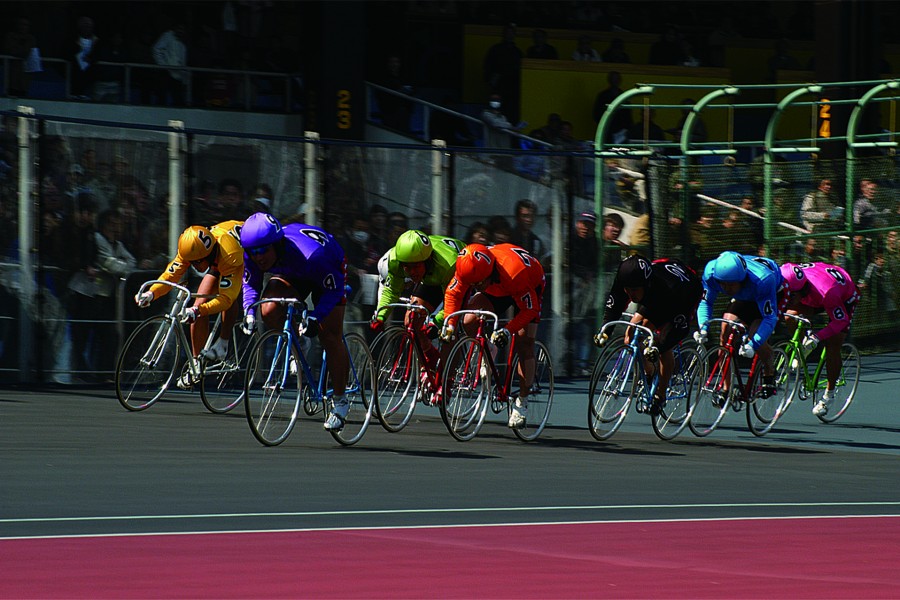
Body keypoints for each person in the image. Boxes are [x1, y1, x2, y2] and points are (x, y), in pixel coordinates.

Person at [240, 213, 351, 431]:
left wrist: (315, 316)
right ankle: (298, 345)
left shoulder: (314, 256)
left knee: (329, 334)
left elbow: (334, 291)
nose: (258, 257)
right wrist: (248, 312)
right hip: (292, 272)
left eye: (263, 250)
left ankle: (340, 402)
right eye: (253, 252)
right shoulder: (253, 254)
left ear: (277, 244)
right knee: (269, 307)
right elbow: (251, 283)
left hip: (326, 268)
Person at [441, 242, 545, 429]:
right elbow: (453, 294)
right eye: (473, 284)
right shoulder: (467, 266)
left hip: (527, 284)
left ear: (490, 270)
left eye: (479, 283)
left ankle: (522, 401)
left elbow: (530, 309)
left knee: (524, 343)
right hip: (497, 288)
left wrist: (507, 330)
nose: (476, 286)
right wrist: (449, 324)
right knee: (468, 320)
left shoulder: (514, 272)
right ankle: (487, 350)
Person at [134, 221, 245, 388]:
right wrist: (152, 293)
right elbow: (170, 275)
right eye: (189, 262)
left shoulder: (229, 254)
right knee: (198, 303)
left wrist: (200, 310)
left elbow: (227, 298)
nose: (192, 266)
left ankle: (223, 342)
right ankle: (196, 363)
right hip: (217, 258)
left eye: (195, 263)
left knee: (225, 298)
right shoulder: (191, 248)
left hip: (241, 255)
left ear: (206, 255)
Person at [599, 254, 702, 413]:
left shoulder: (669, 290)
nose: (630, 295)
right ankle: (650, 372)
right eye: (626, 289)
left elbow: (679, 330)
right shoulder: (625, 279)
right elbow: (614, 305)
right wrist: (605, 330)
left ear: (645, 285)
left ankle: (660, 396)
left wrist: (659, 346)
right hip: (657, 289)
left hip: (683, 294)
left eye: (633, 290)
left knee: (661, 344)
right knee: (631, 335)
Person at [370, 230, 464, 375]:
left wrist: (437, 321)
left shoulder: (447, 265)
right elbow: (391, 291)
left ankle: (446, 381)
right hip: (430, 277)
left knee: (448, 330)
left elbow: (453, 301)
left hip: (456, 276)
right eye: (407, 267)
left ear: (428, 260)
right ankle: (430, 357)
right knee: (411, 320)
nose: (412, 272)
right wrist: (381, 315)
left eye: (416, 267)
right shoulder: (395, 261)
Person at [695, 250, 783, 398]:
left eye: (730, 285)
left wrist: (753, 344)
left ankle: (769, 371)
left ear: (742, 279)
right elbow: (706, 302)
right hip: (743, 296)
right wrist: (703, 328)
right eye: (722, 284)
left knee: (754, 335)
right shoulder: (711, 273)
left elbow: (769, 318)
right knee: (725, 330)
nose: (726, 289)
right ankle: (726, 388)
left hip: (768, 292)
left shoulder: (762, 280)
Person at [779, 262, 860, 416]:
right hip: (815, 287)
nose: (787, 297)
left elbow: (840, 321)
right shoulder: (789, 276)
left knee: (833, 343)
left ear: (801, 291)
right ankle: (803, 349)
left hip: (842, 295)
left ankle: (828, 395)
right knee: (790, 316)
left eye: (791, 295)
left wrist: (817, 337)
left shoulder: (828, 293)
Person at [570, 211, 598, 376]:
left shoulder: (595, 243)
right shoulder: (570, 240)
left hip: (590, 293)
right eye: (583, 223)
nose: (585, 228)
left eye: (589, 225)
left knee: (587, 327)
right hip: (571, 290)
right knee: (574, 327)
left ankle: (583, 364)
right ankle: (573, 362)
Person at [482, 23, 523, 124]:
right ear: (503, 34)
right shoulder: (495, 49)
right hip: (498, 88)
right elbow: (488, 66)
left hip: (513, 90)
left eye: (512, 33)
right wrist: (491, 81)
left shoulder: (518, 52)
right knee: (495, 112)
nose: (509, 35)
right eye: (508, 33)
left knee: (511, 114)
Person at [152, 21, 189, 106]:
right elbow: (156, 49)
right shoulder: (167, 36)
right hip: (165, 72)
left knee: (178, 98)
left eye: (183, 29)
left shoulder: (182, 44)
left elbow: (182, 62)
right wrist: (163, 65)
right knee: (162, 96)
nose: (181, 31)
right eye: (179, 28)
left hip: (177, 75)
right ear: (175, 28)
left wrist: (184, 80)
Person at [592, 71, 632, 145]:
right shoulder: (603, 96)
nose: (615, 81)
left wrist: (627, 129)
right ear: (609, 80)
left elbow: (628, 114)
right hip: (606, 129)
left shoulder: (624, 96)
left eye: (617, 79)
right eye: (613, 79)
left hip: (621, 131)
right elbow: (596, 114)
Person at [509, 199, 548, 264]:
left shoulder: (536, 241)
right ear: (517, 217)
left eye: (531, 216)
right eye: (525, 216)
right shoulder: (509, 238)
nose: (529, 220)